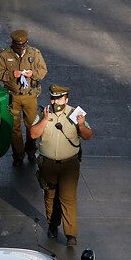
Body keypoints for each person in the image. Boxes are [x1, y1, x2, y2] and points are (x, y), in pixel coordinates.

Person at [29, 85, 93, 247]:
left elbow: (88, 136)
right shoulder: (43, 113)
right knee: (50, 196)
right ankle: (52, 223)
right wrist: (44, 120)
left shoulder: (75, 114)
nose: (55, 101)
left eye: (59, 98)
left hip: (69, 165)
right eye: (53, 98)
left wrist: (81, 125)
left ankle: (71, 234)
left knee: (68, 198)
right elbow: (33, 134)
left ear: (66, 100)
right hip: (48, 164)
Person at [0, 29, 47, 166]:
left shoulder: (34, 54)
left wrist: (32, 73)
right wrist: (12, 74)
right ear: (12, 43)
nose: (20, 48)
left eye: (23, 45)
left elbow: (42, 71)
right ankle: (18, 155)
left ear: (27, 42)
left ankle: (30, 151)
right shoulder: (5, 55)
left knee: (32, 126)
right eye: (18, 46)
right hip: (13, 97)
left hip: (30, 97)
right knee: (15, 128)